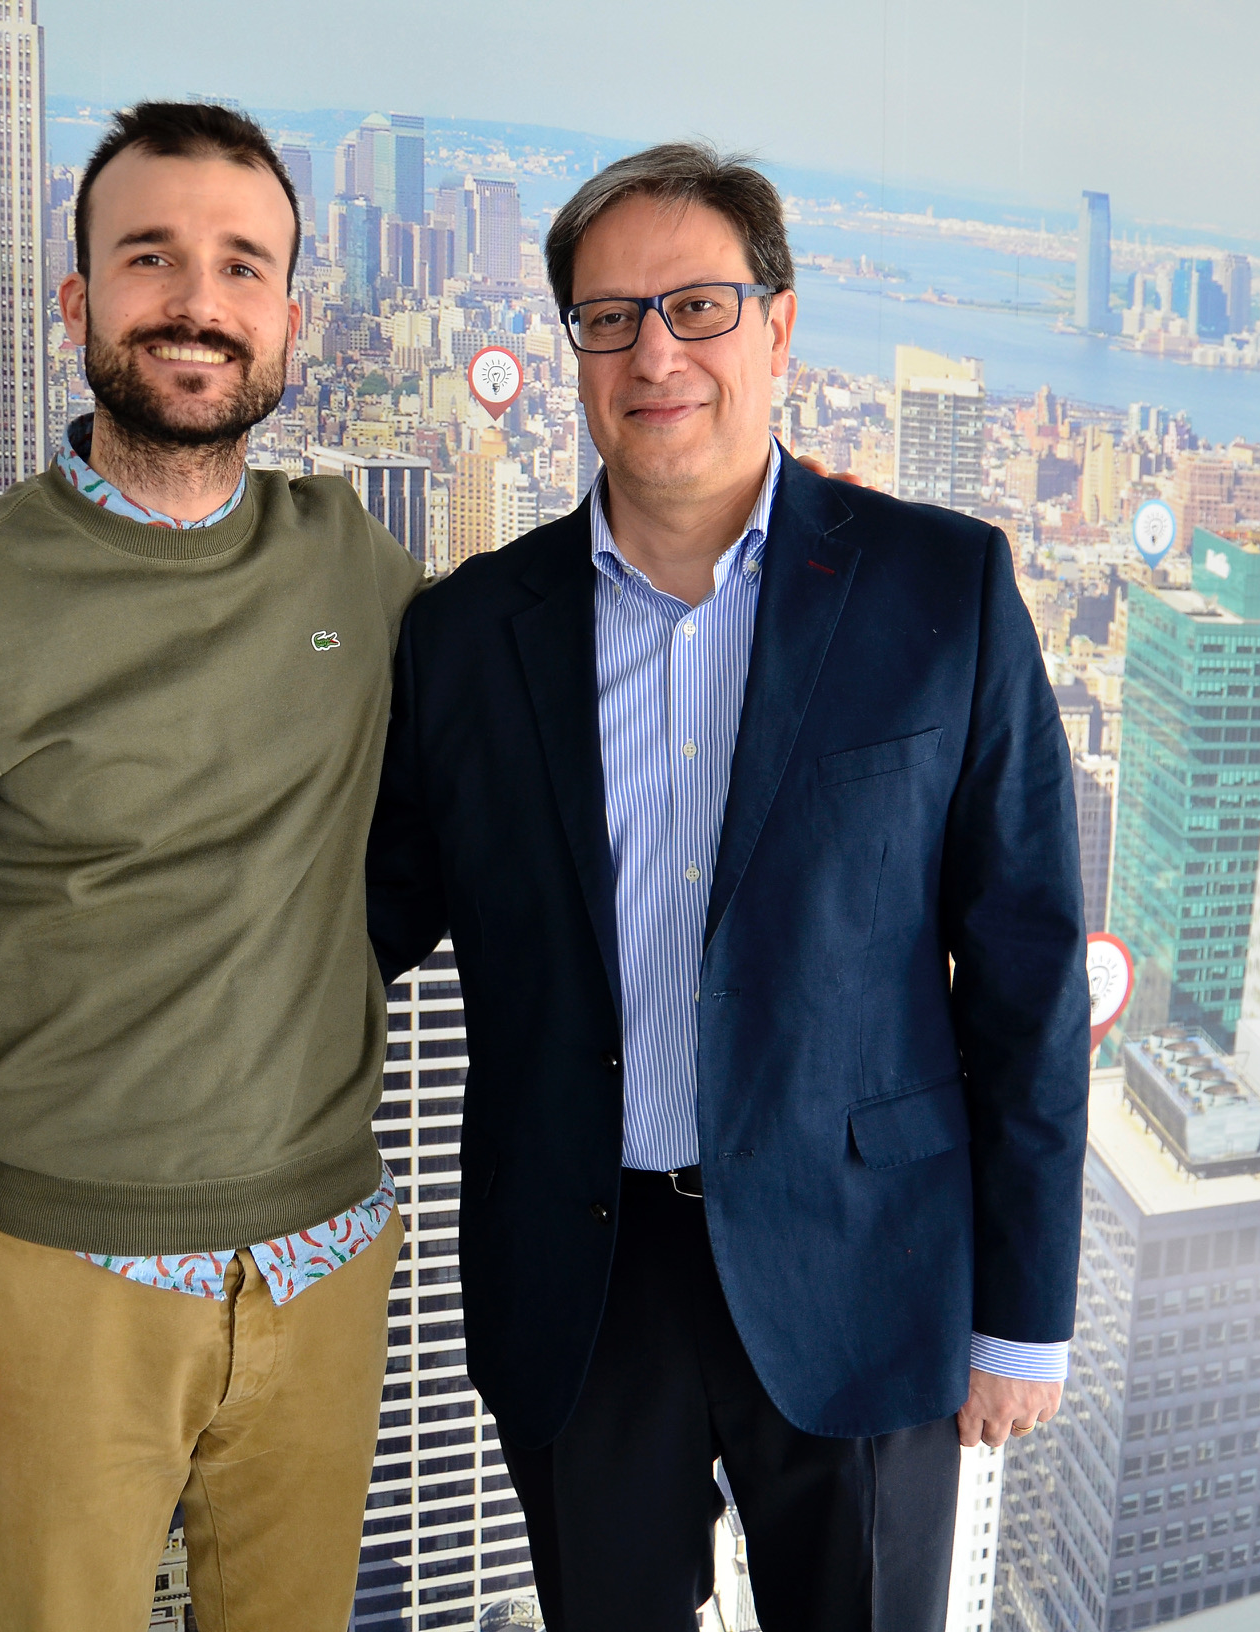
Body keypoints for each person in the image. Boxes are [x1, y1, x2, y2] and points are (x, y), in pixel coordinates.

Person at [365, 143, 1091, 1629]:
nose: (655, 355)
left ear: (779, 325)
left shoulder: (941, 592)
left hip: (864, 1259)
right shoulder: (469, 635)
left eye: (698, 307)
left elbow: (1025, 970)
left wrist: (1024, 1312)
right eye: (610, 318)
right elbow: (356, 923)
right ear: (573, 350)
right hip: (584, 1275)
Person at [0, 101, 425, 1629]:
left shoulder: (354, 567)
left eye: (242, 265)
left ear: (289, 320)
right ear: (79, 300)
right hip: (65, 1280)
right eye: (152, 258)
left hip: (329, 1266)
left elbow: (527, 736)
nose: (197, 301)